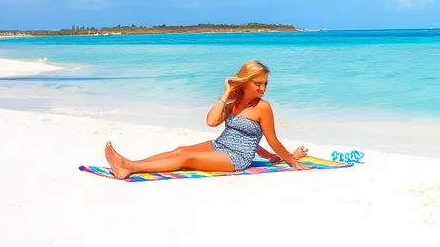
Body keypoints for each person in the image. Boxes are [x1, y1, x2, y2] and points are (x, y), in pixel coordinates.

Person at [104, 60, 312, 180]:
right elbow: (211, 122)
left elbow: (271, 140)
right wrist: (227, 91)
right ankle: (130, 163)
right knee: (180, 151)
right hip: (218, 145)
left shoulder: (263, 108)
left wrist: (291, 160)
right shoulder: (233, 100)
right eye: (258, 83)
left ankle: (128, 167)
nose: (263, 89)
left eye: (265, 83)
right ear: (245, 82)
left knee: (187, 160)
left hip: (236, 157)